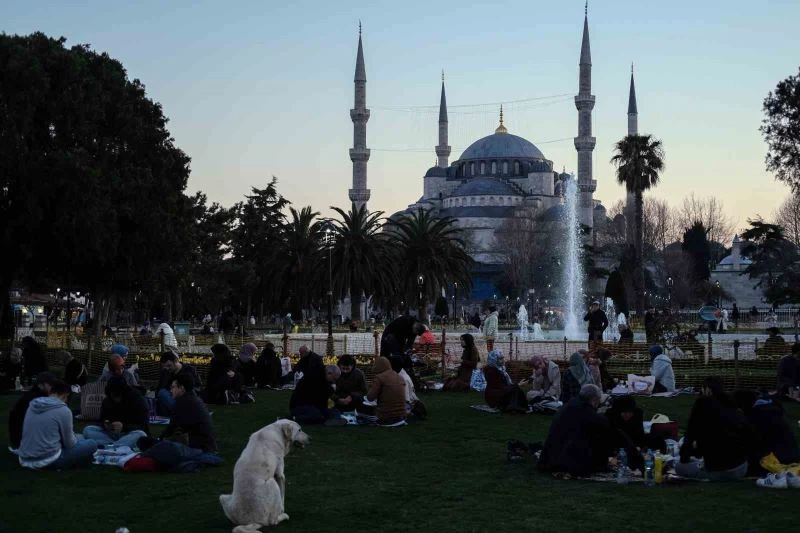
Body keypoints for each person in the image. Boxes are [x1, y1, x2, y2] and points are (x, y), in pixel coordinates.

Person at [676, 376, 751, 481]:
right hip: (742, 467)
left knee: (679, 467)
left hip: (719, 470)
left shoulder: (702, 405)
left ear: (708, 389)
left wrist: (685, 457)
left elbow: (690, 436)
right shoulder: (731, 404)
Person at [17, 380, 98, 469]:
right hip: (49, 460)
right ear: (65, 395)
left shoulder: (33, 405)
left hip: (24, 459)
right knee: (91, 443)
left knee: (80, 437)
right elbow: (69, 444)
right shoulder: (63, 410)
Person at [538, 384, 613, 477]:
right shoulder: (590, 415)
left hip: (550, 457)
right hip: (570, 462)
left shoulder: (567, 407)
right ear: (594, 400)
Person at [732, 389, 799, 476]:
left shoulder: (758, 416)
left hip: (776, 459)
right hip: (788, 456)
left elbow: (751, 443)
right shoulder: (770, 411)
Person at [82, 378, 149, 448]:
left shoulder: (138, 400)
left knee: (141, 435)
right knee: (88, 430)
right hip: (110, 435)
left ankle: (110, 446)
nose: (116, 399)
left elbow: (143, 426)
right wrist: (106, 424)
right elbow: (103, 419)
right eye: (113, 395)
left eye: (118, 395)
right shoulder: (107, 401)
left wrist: (123, 427)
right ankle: (114, 446)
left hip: (128, 434)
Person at [160, 373, 217, 453]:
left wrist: (160, 439)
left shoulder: (182, 403)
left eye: (173, 387)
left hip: (199, 445)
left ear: (182, 388)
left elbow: (172, 427)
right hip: (207, 443)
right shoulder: (192, 399)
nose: (171, 390)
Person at [605, 395, 665, 471]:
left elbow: (639, 434)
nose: (628, 415)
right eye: (625, 412)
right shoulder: (611, 417)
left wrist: (640, 447)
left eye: (630, 412)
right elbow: (610, 437)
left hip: (634, 443)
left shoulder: (637, 415)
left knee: (657, 438)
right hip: (618, 445)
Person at [8, 372, 57, 451]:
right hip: (26, 442)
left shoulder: (34, 395)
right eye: (51, 384)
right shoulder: (36, 400)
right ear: (40, 385)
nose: (53, 387)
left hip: (22, 440)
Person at [289, 346, 333, 424]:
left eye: (301, 353)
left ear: (305, 352)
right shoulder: (315, 378)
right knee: (319, 417)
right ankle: (296, 418)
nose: (300, 355)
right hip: (301, 405)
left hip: (301, 403)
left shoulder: (314, 360)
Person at [156, 351, 201, 416]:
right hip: (171, 399)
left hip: (186, 399)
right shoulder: (166, 373)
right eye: (165, 367)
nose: (167, 368)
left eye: (169, 366)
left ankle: (182, 412)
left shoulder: (189, 370)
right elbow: (159, 389)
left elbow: (197, 388)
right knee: (162, 393)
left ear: (176, 361)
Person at [366, 356, 407, 425]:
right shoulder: (400, 377)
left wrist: (371, 388)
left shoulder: (379, 378)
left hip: (386, 417)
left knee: (362, 406)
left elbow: (370, 397)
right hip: (401, 416)